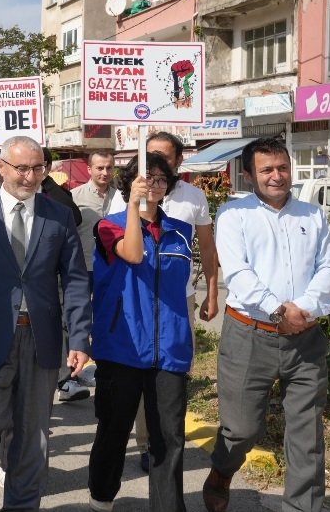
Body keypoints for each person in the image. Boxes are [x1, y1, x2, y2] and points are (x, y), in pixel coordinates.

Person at [0, 135, 91, 512]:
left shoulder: (58, 215)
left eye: (38, 168)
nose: (30, 177)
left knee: (32, 439)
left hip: (41, 339)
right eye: (22, 168)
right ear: (1, 167)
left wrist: (78, 338)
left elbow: (75, 279)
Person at [202, 137, 330, 512]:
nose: (277, 176)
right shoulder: (233, 215)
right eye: (266, 170)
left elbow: (328, 268)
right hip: (249, 335)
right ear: (248, 175)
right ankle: (222, 471)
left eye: (282, 167)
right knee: (241, 429)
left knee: (307, 434)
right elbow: (239, 274)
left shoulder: (313, 215)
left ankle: (301, 507)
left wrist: (302, 311)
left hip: (305, 338)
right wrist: (279, 310)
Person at [88, 154, 194, 512]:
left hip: (170, 351)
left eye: (163, 179)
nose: (155, 185)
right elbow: (132, 254)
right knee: (114, 431)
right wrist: (134, 205)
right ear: (130, 182)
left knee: (168, 439)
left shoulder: (181, 232)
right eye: (148, 178)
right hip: (122, 347)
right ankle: (101, 497)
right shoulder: (108, 226)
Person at [107, 131, 218, 471]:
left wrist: (211, 291)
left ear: (178, 162)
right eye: (149, 154)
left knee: (173, 376)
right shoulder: (125, 196)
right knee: (141, 377)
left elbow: (207, 249)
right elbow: (117, 246)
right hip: (137, 304)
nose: (154, 162)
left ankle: (167, 438)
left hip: (178, 302)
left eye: (163, 158)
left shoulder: (193, 196)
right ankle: (146, 444)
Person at [59, 149, 115, 402]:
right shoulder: (75, 197)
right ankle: (70, 375)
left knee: (108, 320)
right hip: (82, 268)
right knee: (76, 320)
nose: (105, 172)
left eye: (109, 168)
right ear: (89, 170)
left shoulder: (121, 197)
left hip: (113, 269)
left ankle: (104, 367)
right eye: (100, 168)